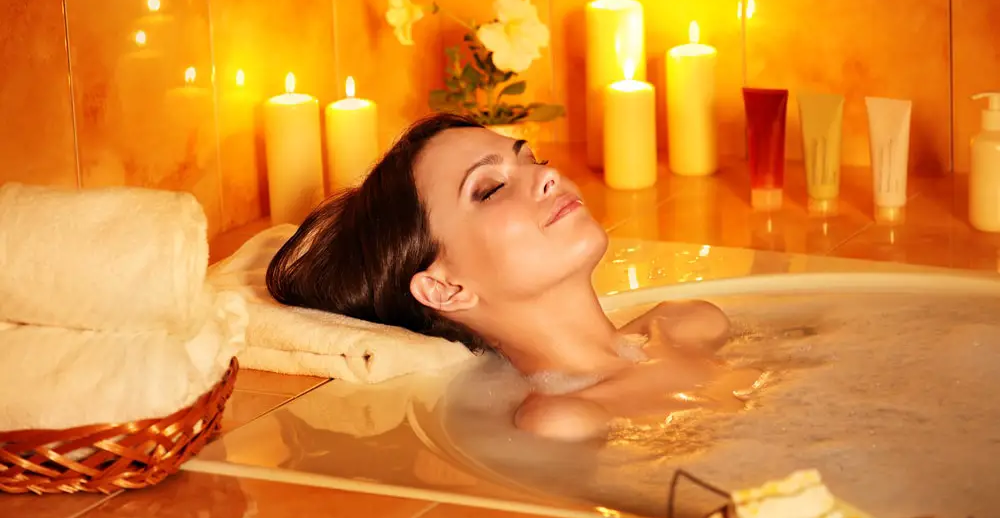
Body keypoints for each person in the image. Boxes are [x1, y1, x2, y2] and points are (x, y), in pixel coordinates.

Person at [267, 113, 762, 441]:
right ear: (445, 288)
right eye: (490, 189)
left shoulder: (692, 323)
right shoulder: (563, 419)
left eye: (533, 160)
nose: (548, 176)